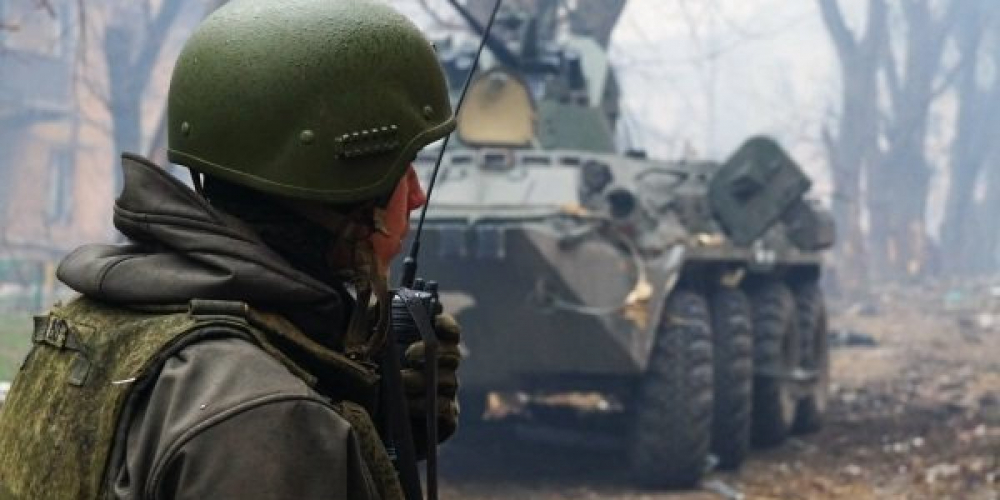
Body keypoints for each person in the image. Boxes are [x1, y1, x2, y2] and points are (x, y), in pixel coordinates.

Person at [0, 0, 462, 498]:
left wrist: (367, 417)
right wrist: (309, 436)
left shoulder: (94, 327)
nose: (417, 195)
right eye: (402, 170)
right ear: (346, 190)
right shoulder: (268, 420)